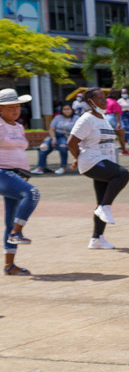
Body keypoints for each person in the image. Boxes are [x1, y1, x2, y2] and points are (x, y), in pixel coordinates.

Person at [67, 87, 129, 250]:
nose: (104, 100)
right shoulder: (86, 119)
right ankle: (105, 207)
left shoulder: (102, 117)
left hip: (104, 161)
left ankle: (97, 239)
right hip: (92, 161)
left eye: (105, 97)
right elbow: (71, 143)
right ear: (90, 101)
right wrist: (76, 157)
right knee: (123, 174)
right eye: (100, 98)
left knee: (101, 201)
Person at [0, 89, 39, 276]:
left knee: (10, 220)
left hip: (16, 176)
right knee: (32, 193)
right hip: (2, 173)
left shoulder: (19, 127)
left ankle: (9, 265)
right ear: (1, 109)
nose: (15, 110)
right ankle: (17, 233)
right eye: (10, 107)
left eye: (17, 106)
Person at [32, 104, 76, 175]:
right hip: (55, 135)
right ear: (61, 111)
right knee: (43, 147)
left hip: (66, 136)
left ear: (72, 110)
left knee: (63, 147)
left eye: (68, 109)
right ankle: (40, 168)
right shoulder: (57, 117)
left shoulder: (76, 118)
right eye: (64, 109)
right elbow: (51, 129)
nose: (66, 111)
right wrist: (53, 139)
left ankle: (63, 167)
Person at [105, 89, 129, 156]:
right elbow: (116, 113)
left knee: (108, 135)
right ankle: (124, 150)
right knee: (121, 135)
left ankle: (108, 151)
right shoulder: (114, 102)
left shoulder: (106, 101)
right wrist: (119, 123)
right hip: (114, 117)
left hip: (106, 117)